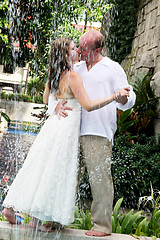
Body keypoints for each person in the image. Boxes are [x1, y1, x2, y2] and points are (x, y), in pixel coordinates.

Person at [2, 38, 129, 232]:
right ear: (65, 54)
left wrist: (56, 105)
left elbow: (46, 99)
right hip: (66, 131)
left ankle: (16, 209)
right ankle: (38, 219)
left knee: (39, 166)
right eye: (72, 48)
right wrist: (113, 96)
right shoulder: (73, 75)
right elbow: (88, 105)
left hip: (52, 127)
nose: (77, 50)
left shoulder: (55, 73)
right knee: (54, 172)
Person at [54, 30, 136, 237]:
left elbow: (129, 98)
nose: (78, 51)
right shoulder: (76, 67)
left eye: (83, 48)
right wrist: (54, 107)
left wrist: (122, 98)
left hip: (98, 132)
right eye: (78, 46)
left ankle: (101, 226)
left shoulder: (113, 68)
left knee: (99, 180)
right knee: (66, 178)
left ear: (97, 50)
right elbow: (57, 88)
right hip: (71, 131)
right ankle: (56, 221)